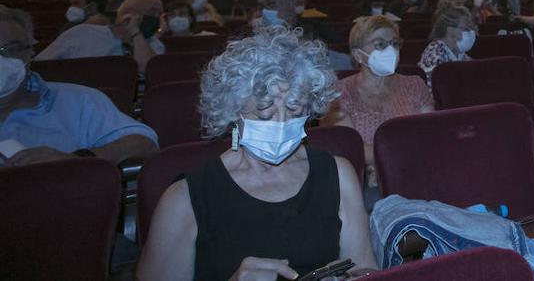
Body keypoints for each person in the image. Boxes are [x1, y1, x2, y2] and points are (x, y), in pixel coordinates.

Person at [137, 24, 377, 280]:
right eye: (265, 113)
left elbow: (364, 267)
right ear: (233, 110)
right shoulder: (186, 198)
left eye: (295, 111)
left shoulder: (337, 175)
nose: (282, 124)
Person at [0, 6, 158, 166]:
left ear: (29, 52)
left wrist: (75, 161)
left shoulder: (80, 100)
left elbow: (144, 143)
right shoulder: (83, 33)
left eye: (11, 50)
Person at [325, 16, 434, 190]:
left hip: (420, 173)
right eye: (380, 44)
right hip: (364, 185)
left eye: (395, 43)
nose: (391, 50)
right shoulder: (340, 92)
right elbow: (350, 149)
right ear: (358, 55)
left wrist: (382, 161)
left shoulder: (414, 84)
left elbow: (430, 136)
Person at [35, 0, 166, 72]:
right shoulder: (82, 33)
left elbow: (147, 70)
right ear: (128, 14)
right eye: (152, 12)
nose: (156, 19)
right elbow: (40, 65)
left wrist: (135, 33)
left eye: (159, 14)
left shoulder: (154, 44)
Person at [417, 4, 477, 85]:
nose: (472, 33)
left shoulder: (460, 54)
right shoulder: (434, 54)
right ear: (450, 31)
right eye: (466, 29)